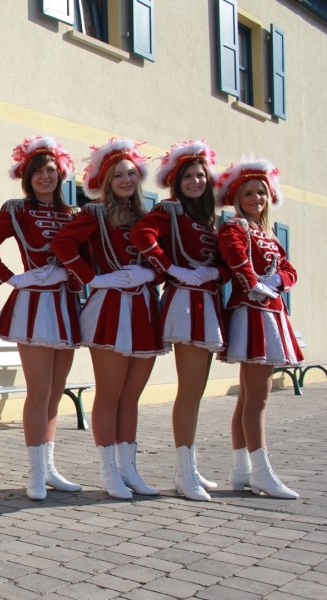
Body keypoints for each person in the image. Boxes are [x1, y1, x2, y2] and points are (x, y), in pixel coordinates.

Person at [51, 138, 165, 500]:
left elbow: (166, 259)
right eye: (118, 175)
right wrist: (94, 278)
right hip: (110, 309)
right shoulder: (94, 213)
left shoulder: (149, 216)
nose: (126, 180)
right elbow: (62, 245)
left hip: (145, 308)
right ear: (105, 180)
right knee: (110, 394)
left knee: (131, 396)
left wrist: (152, 274)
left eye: (131, 173)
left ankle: (129, 469)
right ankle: (108, 471)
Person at [0, 136, 81, 500]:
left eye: (50, 170)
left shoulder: (74, 214)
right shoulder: (17, 210)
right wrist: (13, 278)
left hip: (66, 304)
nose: (44, 177)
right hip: (33, 304)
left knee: (55, 393)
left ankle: (49, 468)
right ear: (26, 176)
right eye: (37, 171)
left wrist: (71, 274)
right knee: (39, 391)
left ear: (60, 174)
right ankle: (34, 473)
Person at [131, 141, 228, 501]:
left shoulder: (209, 219)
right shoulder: (170, 210)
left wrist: (215, 274)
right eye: (187, 176)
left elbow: (224, 262)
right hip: (186, 302)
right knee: (189, 390)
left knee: (196, 390)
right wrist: (171, 268)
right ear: (176, 181)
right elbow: (142, 235)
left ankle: (191, 466)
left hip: (208, 302)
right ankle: (183, 473)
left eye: (200, 175)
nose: (195, 181)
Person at [216, 157, 302, 499]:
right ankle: (261, 473)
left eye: (262, 193)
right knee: (258, 398)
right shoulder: (235, 226)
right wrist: (255, 284)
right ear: (238, 197)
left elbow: (290, 270)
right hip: (253, 313)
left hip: (270, 312)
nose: (257, 199)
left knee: (249, 398)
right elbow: (234, 256)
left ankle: (242, 470)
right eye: (249, 193)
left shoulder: (268, 233)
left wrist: (276, 281)